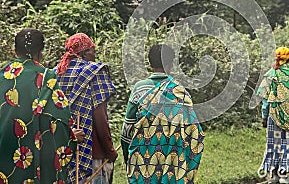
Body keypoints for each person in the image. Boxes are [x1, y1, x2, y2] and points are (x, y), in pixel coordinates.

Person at [0, 29, 78, 183]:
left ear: (15, 50)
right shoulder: (46, 79)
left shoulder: (3, 76)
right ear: (41, 51)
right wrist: (72, 136)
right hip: (35, 158)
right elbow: (60, 122)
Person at [126, 44, 205, 184]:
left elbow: (126, 130)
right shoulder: (180, 93)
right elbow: (195, 133)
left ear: (150, 63)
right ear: (171, 63)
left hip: (141, 163)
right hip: (172, 165)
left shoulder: (139, 89)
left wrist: (129, 158)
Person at [56, 33, 118, 183]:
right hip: (92, 154)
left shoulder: (55, 73)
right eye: (93, 51)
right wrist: (110, 150)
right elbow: (100, 118)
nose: (95, 56)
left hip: (61, 151)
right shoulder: (95, 72)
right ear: (83, 53)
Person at [257, 47, 289, 184]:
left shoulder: (271, 73)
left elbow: (265, 98)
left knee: (274, 144)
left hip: (275, 116)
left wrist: (264, 115)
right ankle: (284, 174)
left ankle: (273, 174)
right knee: (288, 144)